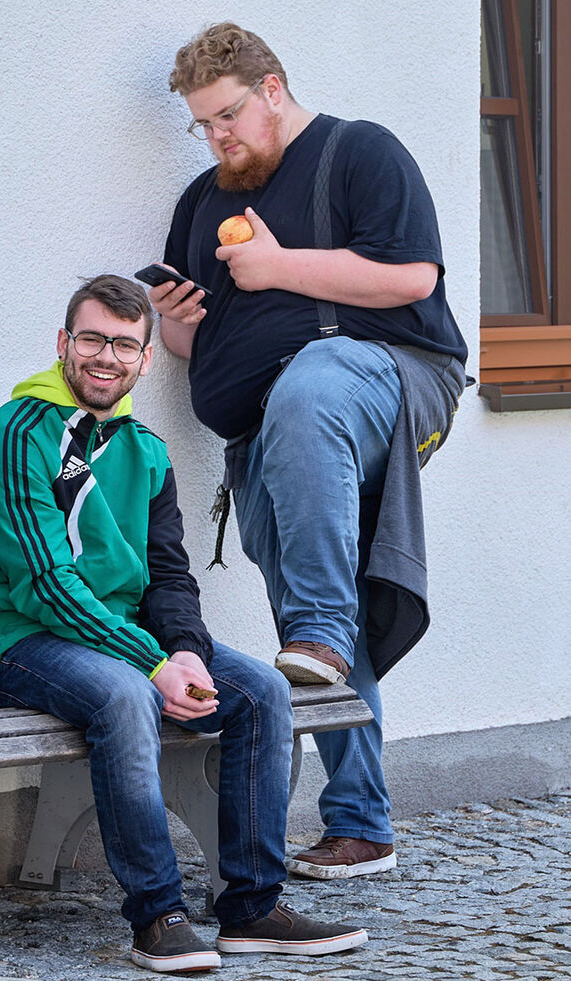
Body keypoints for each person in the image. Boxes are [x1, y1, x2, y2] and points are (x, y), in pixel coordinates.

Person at [0, 275, 368, 973]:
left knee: (261, 689)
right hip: (9, 635)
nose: (104, 357)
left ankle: (253, 907)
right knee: (125, 694)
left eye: (122, 344)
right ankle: (156, 916)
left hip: (118, 637)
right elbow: (47, 585)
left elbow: (169, 574)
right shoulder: (20, 433)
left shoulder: (144, 449)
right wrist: (152, 663)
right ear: (64, 344)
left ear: (144, 358)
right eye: (91, 340)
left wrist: (186, 652)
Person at [151, 23, 468, 881]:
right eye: (202, 125)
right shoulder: (202, 203)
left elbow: (413, 280)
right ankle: (361, 823)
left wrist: (282, 266)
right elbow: (203, 346)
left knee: (314, 378)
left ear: (273, 90)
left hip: (387, 379)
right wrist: (178, 330)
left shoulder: (361, 152)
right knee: (307, 599)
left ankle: (326, 630)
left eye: (227, 117)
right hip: (266, 428)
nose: (218, 138)